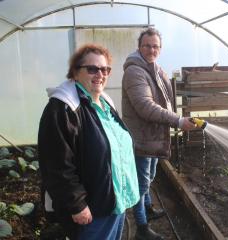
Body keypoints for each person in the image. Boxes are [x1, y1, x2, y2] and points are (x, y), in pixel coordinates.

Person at [38, 43, 140, 240]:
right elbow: (57, 165)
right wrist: (77, 205)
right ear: (75, 73)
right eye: (92, 69)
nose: (100, 74)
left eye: (105, 69)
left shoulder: (104, 102)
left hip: (115, 201)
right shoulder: (63, 108)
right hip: (93, 210)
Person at [122, 28, 196, 240]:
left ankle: (148, 209)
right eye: (147, 45)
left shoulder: (155, 69)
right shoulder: (135, 71)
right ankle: (142, 228)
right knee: (141, 183)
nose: (151, 49)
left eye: (155, 46)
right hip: (142, 137)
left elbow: (166, 100)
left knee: (150, 176)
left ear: (160, 49)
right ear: (139, 46)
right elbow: (145, 106)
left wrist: (175, 118)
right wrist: (178, 120)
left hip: (154, 136)